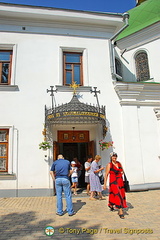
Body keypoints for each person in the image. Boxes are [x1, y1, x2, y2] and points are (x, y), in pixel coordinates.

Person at [103, 152, 127, 219]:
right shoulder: (109, 165)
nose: (115, 158)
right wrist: (104, 184)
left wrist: (121, 172)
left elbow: (122, 171)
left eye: (115, 156)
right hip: (113, 182)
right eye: (113, 156)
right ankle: (120, 210)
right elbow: (106, 175)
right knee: (117, 194)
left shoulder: (119, 163)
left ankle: (111, 204)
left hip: (120, 181)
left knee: (120, 194)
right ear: (111, 157)